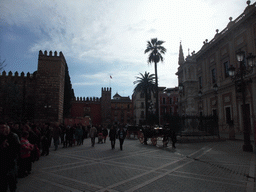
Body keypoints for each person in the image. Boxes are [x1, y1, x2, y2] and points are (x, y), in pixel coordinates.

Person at [0, 122, 20, 192]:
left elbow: (17, 149)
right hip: (2, 164)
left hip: (11, 163)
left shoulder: (13, 136)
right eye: (1, 128)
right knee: (3, 185)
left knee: (12, 183)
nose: (3, 129)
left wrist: (8, 146)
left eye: (4, 127)